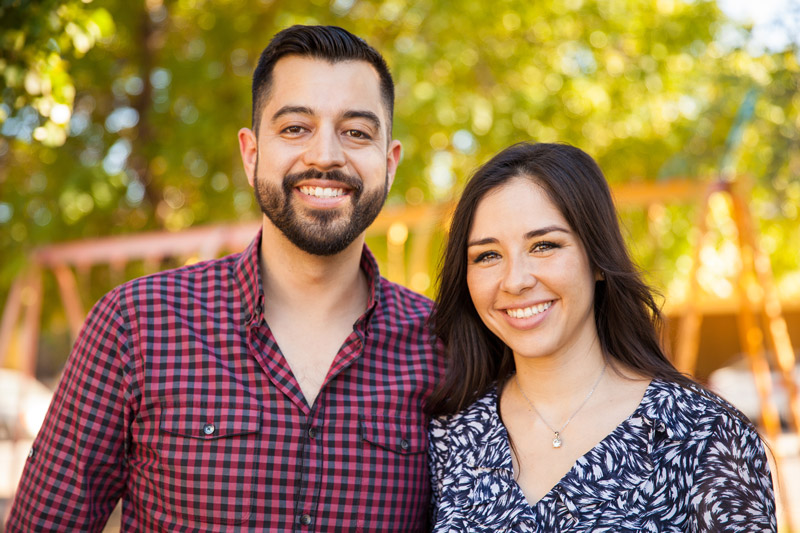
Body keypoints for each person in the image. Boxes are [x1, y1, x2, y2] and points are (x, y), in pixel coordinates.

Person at [7, 25, 443, 531]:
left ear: (389, 164)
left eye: (357, 132)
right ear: (251, 152)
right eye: (296, 128)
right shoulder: (136, 324)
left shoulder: (445, 348)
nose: (326, 155)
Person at [427, 142, 776, 531]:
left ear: (597, 259)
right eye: (488, 255)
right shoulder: (450, 436)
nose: (516, 280)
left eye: (544, 246)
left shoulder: (703, 434)